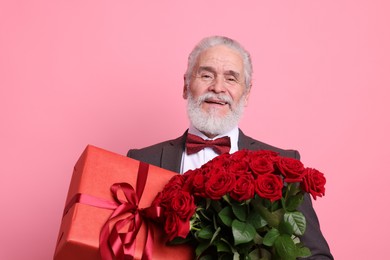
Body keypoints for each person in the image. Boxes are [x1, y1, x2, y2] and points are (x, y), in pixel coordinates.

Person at [127, 36, 333, 259]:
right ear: (186, 85)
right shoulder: (140, 160)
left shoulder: (282, 166)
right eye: (206, 75)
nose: (217, 88)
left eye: (231, 79)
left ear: (247, 94)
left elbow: (316, 256)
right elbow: (115, 244)